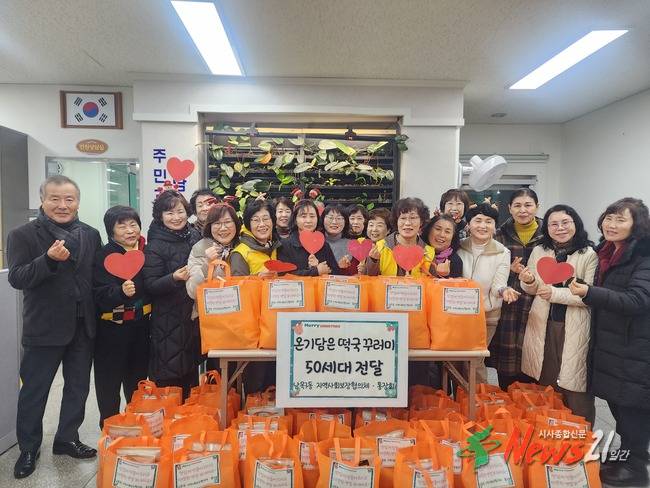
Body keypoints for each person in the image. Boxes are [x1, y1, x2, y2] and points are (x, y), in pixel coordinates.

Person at [7, 176, 102, 479]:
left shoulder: (90, 234)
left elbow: (95, 278)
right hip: (44, 326)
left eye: (69, 199)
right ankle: (29, 448)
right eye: (55, 199)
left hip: (83, 325)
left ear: (78, 202)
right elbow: (18, 278)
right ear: (42, 200)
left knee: (78, 387)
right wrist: (47, 260)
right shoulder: (22, 235)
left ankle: (66, 439)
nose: (63, 205)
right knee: (34, 391)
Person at [569, 198, 650, 486]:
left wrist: (589, 293)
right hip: (616, 343)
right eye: (609, 218)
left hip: (634, 346)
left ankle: (636, 469)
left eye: (621, 220)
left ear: (636, 225)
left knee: (633, 410)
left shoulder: (643, 256)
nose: (612, 225)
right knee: (620, 406)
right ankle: (626, 456)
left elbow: (638, 300)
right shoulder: (608, 251)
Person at [518, 205, 596, 423]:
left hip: (574, 326)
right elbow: (533, 288)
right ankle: (550, 431)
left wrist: (553, 293)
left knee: (575, 384)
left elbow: (589, 295)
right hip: (543, 323)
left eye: (565, 223)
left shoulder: (588, 254)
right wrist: (528, 281)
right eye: (554, 224)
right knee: (547, 380)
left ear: (575, 224)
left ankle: (581, 434)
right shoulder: (540, 251)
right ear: (547, 228)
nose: (560, 228)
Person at [92, 206, 150, 429]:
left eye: (133, 224)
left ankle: (136, 428)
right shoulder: (103, 256)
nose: (129, 230)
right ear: (111, 230)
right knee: (109, 385)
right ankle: (110, 431)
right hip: (111, 331)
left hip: (142, 328)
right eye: (122, 226)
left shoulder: (146, 252)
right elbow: (97, 294)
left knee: (137, 383)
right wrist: (119, 293)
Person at [143, 190, 201, 399]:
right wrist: (173, 278)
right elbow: (150, 285)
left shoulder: (194, 236)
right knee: (170, 379)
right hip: (168, 321)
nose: (176, 217)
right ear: (160, 216)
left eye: (180, 211)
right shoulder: (155, 245)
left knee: (191, 376)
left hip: (192, 316)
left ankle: (191, 417)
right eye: (169, 213)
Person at [457, 202, 520, 382]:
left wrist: (504, 290)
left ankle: (477, 396)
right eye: (478, 221)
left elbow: (498, 284)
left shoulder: (502, 252)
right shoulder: (458, 247)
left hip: (487, 315)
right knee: (455, 359)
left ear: (494, 226)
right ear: (468, 225)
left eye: (488, 221)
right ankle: (459, 397)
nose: (483, 226)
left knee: (475, 360)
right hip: (457, 314)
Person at [491, 188, 545, 389]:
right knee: (507, 363)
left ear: (537, 207)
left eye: (528, 205)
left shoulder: (548, 235)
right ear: (509, 208)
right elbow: (491, 271)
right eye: (517, 205)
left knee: (536, 359)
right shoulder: (498, 235)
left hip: (538, 303)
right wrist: (509, 271)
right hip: (509, 304)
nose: (523, 210)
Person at [366, 197, 434, 277]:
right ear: (396, 221)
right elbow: (369, 279)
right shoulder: (380, 247)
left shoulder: (429, 252)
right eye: (403, 218)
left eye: (413, 218)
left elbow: (434, 282)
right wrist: (373, 261)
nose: (407, 223)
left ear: (421, 222)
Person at [277, 199, 339, 276]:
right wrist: (315, 271)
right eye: (303, 216)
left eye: (312, 216)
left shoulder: (324, 245)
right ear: (295, 219)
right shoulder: (285, 245)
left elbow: (335, 272)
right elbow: (284, 274)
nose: (308, 220)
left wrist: (320, 268)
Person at [230, 200, 280, 276]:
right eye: (256, 220)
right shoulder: (240, 254)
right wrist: (258, 277)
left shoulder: (274, 246)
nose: (262, 224)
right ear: (248, 224)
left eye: (266, 219)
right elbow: (238, 283)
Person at [322, 204, 356, 274]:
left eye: (339, 218)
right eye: (330, 218)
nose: (334, 222)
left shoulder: (354, 245)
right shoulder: (315, 243)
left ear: (346, 221)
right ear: (322, 219)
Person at [357, 208, 392, 274]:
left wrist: (366, 270)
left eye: (379, 225)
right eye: (371, 225)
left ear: (388, 230)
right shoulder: (360, 244)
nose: (374, 229)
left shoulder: (389, 249)